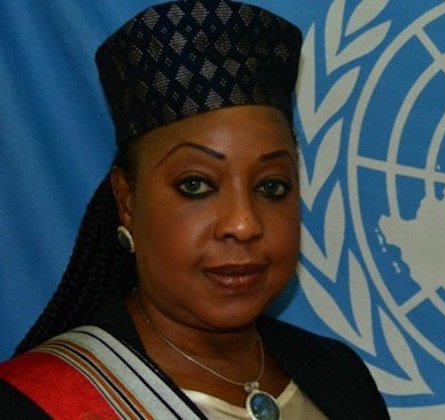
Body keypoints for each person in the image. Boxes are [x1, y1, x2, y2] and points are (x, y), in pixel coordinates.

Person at [0, 1, 389, 418]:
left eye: (271, 186)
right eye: (196, 185)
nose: (243, 223)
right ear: (127, 201)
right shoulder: (33, 403)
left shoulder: (340, 373)